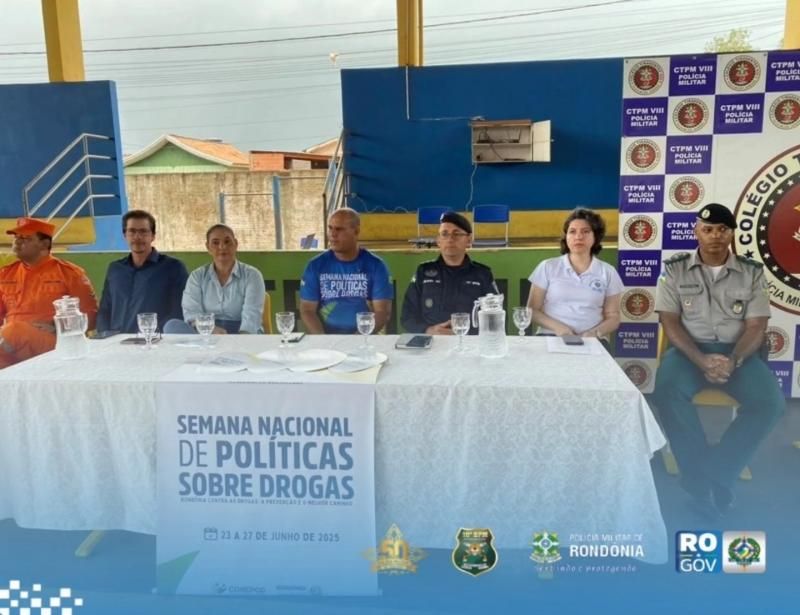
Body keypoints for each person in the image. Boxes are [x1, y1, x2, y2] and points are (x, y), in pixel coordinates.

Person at [652, 203, 784, 517]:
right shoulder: (674, 268)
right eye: (707, 229)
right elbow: (669, 321)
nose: (715, 236)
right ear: (696, 231)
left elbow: (756, 326)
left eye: (722, 229)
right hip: (689, 351)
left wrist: (733, 360)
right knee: (667, 391)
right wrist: (701, 359)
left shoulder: (752, 272)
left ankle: (714, 473)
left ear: (731, 233)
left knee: (771, 403)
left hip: (738, 352)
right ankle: (705, 478)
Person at [0, 217, 97, 368]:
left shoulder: (70, 273)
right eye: (16, 237)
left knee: (15, 331)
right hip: (11, 344)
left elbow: (90, 317)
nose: (17, 242)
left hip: (55, 342)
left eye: (25, 238)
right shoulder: (5, 274)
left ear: (44, 244)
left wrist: (56, 325)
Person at [526, 208, 623, 339]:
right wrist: (560, 329)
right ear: (566, 237)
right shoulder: (548, 267)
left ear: (596, 237)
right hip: (550, 335)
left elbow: (613, 317)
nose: (578, 236)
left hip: (592, 340)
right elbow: (532, 310)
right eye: (572, 232)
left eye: (585, 231)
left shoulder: (608, 272)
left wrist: (593, 334)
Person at [401, 211, 497, 334]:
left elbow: (494, 317)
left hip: (470, 345)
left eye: (456, 234)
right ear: (438, 241)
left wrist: (464, 332)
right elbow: (407, 316)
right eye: (444, 234)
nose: (450, 239)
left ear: (469, 240)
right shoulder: (423, 272)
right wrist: (429, 330)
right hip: (431, 343)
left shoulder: (482, 274)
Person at [300, 208, 393, 334]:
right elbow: (307, 310)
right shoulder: (315, 266)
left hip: (364, 339)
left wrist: (356, 339)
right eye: (330, 228)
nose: (332, 234)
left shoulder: (376, 266)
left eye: (339, 229)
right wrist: (322, 341)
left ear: (356, 231)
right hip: (327, 340)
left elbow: (382, 313)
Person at [96, 210, 188, 335]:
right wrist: (105, 333)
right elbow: (104, 309)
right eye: (132, 231)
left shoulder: (173, 268)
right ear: (125, 235)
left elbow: (178, 312)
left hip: (155, 343)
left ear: (153, 236)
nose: (137, 237)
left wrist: (151, 335)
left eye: (143, 231)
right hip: (116, 344)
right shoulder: (115, 269)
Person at [164, 224, 265, 334]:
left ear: (235, 244)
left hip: (242, 332)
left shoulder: (252, 275)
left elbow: (251, 315)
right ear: (208, 247)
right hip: (207, 331)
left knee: (250, 334)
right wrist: (211, 329)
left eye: (227, 242)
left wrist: (239, 339)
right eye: (215, 243)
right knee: (171, 326)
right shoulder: (197, 277)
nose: (222, 247)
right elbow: (191, 312)